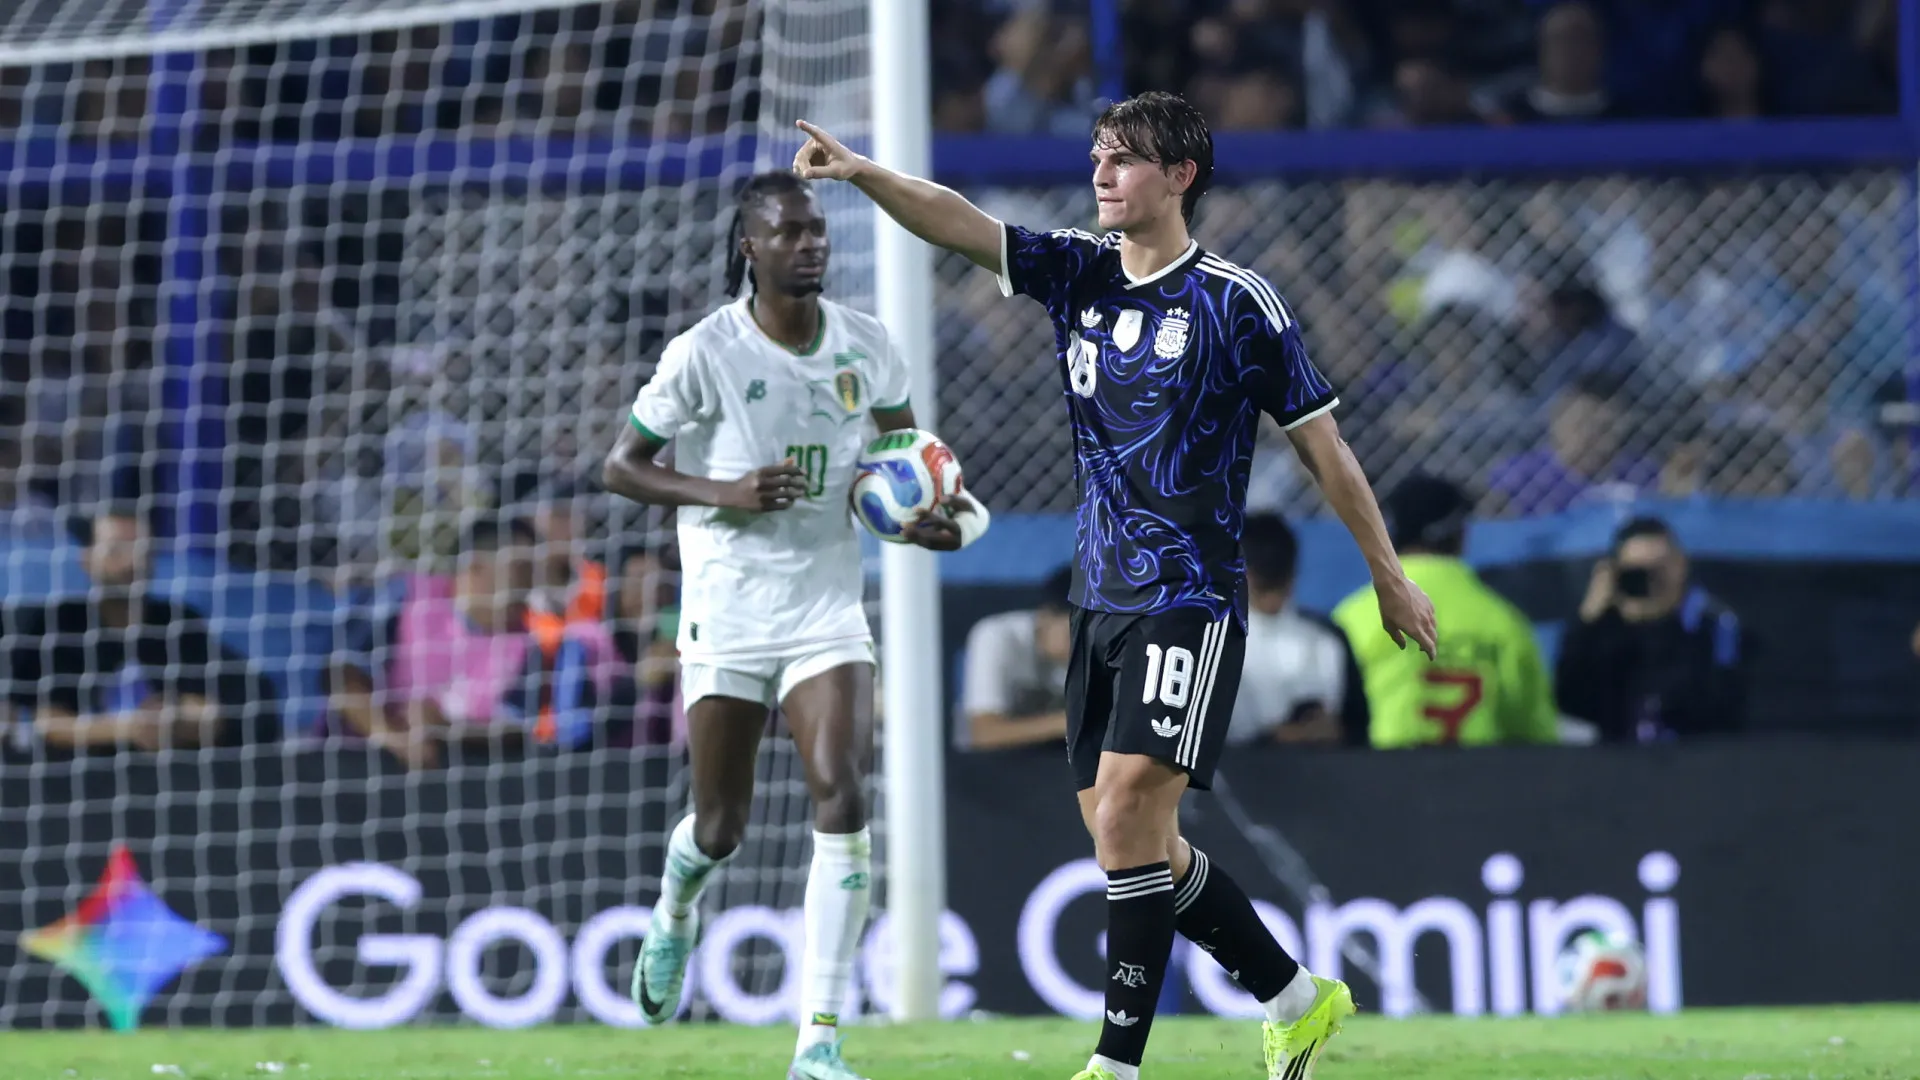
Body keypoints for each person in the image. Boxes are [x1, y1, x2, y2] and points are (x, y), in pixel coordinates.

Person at [793, 91, 1436, 1080]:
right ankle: (1296, 1000)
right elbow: (960, 223)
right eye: (1098, 155)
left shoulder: (1236, 302)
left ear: (1179, 178)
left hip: (1191, 596)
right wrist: (867, 173)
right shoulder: (1076, 274)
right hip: (1101, 596)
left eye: (1124, 159)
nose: (1101, 173)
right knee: (1126, 832)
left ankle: (1115, 1064)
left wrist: (1388, 575)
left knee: (1133, 805)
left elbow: (1327, 448)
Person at [602, 170, 990, 1080]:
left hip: (825, 607)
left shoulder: (866, 347)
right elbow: (622, 467)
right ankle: (673, 914)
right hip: (729, 608)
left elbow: (919, 467)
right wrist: (719, 491)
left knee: (842, 791)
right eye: (789, 233)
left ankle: (819, 1040)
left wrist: (938, 522)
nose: (810, 244)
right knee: (720, 826)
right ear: (752, 247)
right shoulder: (705, 353)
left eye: (816, 231)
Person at [0, 503, 278, 750]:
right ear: (88, 560)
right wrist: (130, 728)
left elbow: (244, 701)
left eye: (142, 549)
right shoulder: (60, 627)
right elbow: (42, 720)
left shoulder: (177, 624)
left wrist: (185, 719)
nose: (133, 561)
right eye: (116, 550)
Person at [1334, 475, 1559, 749]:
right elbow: (1534, 728)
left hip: (1386, 780)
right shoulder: (1501, 620)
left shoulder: (1355, 617)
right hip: (1479, 781)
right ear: (1460, 533)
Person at [1555, 516, 1748, 742]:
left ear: (1681, 566)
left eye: (1659, 571)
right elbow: (1568, 701)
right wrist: (1588, 621)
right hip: (1615, 761)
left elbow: (1716, 707)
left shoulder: (1711, 626)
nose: (1649, 583)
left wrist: (1659, 627)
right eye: (1637, 573)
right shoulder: (1604, 631)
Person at [1227, 513, 1368, 747]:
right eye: (1264, 585)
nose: (1272, 599)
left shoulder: (1327, 639)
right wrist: (1273, 739)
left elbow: (1358, 727)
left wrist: (1331, 731)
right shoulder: (1215, 641)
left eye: (1277, 582)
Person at [958, 564, 1074, 751]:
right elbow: (983, 734)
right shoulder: (996, 637)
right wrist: (1070, 722)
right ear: (1046, 616)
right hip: (991, 765)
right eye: (1074, 634)